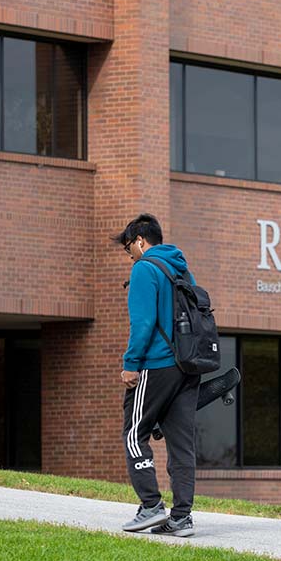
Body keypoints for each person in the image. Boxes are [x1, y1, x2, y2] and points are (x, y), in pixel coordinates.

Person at [112, 213, 200, 537]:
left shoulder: (145, 269)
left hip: (156, 364)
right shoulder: (181, 268)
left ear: (140, 241)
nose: (130, 255)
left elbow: (144, 323)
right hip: (188, 367)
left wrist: (131, 363)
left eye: (128, 248)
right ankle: (181, 518)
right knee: (181, 444)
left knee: (135, 433)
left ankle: (150, 506)